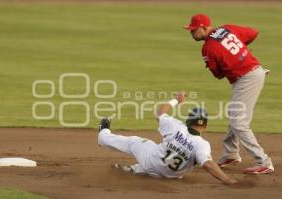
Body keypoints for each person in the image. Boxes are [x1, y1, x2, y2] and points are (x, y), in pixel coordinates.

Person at [183, 13, 274, 174]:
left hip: (247, 78)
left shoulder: (208, 48)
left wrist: (232, 57)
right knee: (234, 115)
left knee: (239, 122)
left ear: (204, 28)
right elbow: (253, 32)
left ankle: (263, 161)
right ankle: (230, 154)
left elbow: (218, 75)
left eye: (194, 30)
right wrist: (240, 50)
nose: (191, 33)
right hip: (252, 73)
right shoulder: (228, 29)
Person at [98, 92, 237, 185]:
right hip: (171, 176)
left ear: (188, 121)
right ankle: (130, 170)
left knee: (133, 142)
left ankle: (103, 135)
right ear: (205, 126)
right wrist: (227, 180)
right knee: (171, 163)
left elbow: (159, 112)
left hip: (151, 163)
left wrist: (177, 99)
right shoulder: (202, 145)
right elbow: (208, 165)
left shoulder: (175, 126)